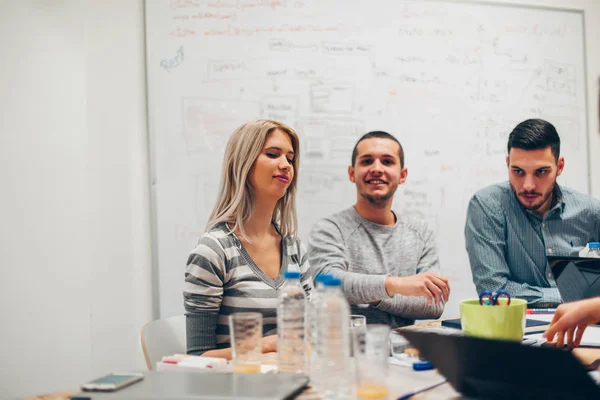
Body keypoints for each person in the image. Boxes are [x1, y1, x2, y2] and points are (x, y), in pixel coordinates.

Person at [183, 119, 312, 358]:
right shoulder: (214, 251)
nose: (285, 165)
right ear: (243, 163)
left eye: (290, 158)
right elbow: (196, 358)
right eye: (273, 154)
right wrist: (265, 345)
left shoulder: (295, 249)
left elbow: (312, 333)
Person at [308, 131, 450, 328]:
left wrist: (374, 296)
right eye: (366, 161)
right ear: (351, 173)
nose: (376, 169)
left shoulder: (420, 233)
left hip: (404, 353)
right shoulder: (329, 229)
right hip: (343, 350)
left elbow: (433, 304)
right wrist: (397, 286)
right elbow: (330, 284)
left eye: (387, 162)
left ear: (402, 175)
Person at [465, 119, 600, 307]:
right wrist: (572, 297)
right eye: (518, 171)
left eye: (541, 172)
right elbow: (494, 290)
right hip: (515, 330)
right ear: (507, 164)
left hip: (582, 329)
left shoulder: (590, 211)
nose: (528, 185)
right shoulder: (486, 206)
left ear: (559, 167)